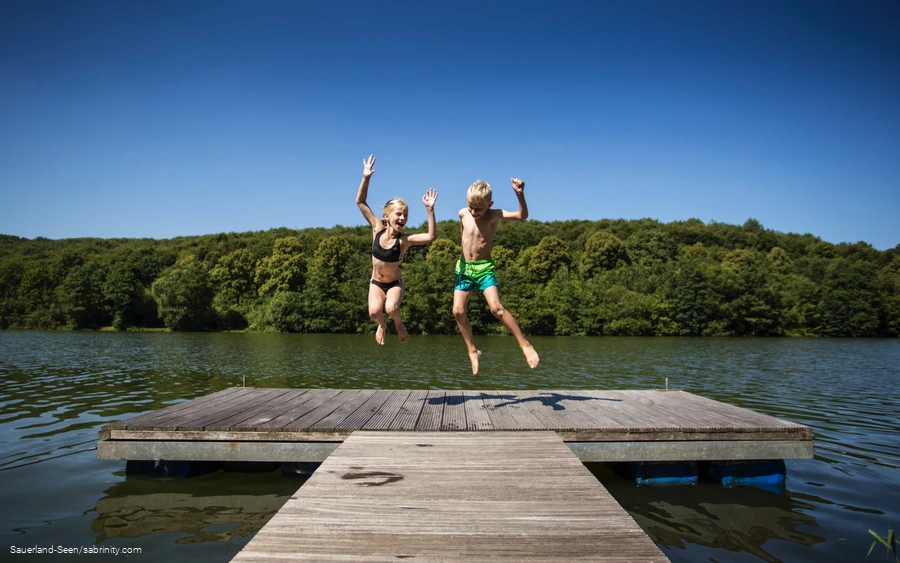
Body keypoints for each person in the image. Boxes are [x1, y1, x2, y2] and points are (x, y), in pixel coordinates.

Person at [453, 177, 540, 374]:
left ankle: (524, 344)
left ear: (489, 205)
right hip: (465, 269)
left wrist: (520, 194)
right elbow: (464, 237)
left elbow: (522, 216)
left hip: (484, 269)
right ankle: (472, 350)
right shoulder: (462, 214)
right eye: (471, 207)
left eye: (479, 209)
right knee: (457, 311)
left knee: (496, 308)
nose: (474, 212)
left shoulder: (494, 215)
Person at [356, 154, 438, 344]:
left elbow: (431, 236)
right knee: (374, 312)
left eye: (406, 215)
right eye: (399, 214)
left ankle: (398, 323)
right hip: (376, 283)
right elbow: (360, 202)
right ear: (386, 216)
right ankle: (382, 325)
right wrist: (366, 178)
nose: (402, 218)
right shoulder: (377, 227)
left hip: (394, 283)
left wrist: (430, 210)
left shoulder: (404, 241)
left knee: (392, 308)